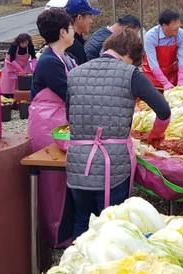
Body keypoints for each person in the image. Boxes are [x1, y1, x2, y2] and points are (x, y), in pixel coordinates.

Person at [66, 28, 171, 239]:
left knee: (81, 219)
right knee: (113, 225)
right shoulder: (131, 74)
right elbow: (164, 111)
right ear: (131, 55)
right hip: (112, 165)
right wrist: (156, 133)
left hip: (78, 162)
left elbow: (70, 115)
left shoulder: (75, 73)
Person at [28, 8, 77, 248]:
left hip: (60, 123)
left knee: (64, 181)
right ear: (62, 31)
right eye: (70, 26)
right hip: (48, 127)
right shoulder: (49, 62)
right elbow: (70, 93)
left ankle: (65, 230)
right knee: (52, 185)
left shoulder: (66, 57)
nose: (74, 30)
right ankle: (55, 236)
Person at [142, 9, 183, 90]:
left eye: (178, 22)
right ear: (164, 26)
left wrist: (181, 79)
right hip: (152, 74)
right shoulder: (151, 36)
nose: (178, 26)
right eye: (174, 23)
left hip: (171, 72)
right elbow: (153, 63)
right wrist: (165, 82)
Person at [65, 0, 101, 65]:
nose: (91, 21)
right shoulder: (74, 47)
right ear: (79, 18)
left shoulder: (66, 39)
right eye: (90, 17)